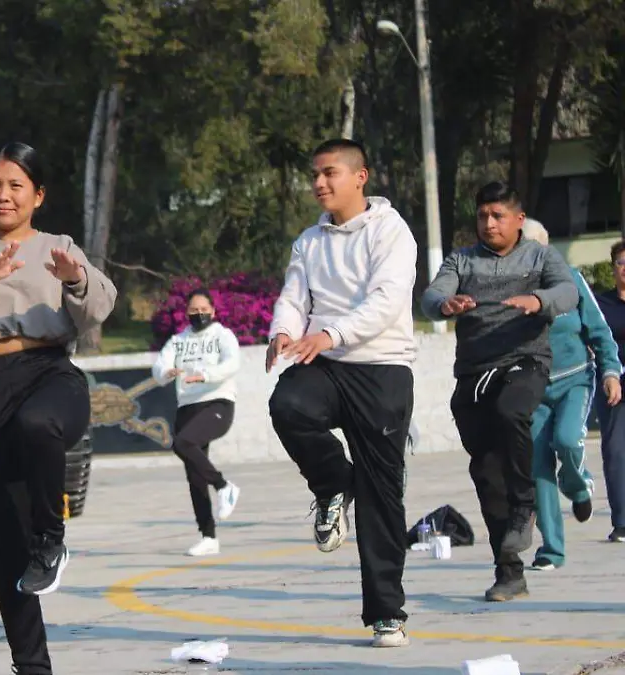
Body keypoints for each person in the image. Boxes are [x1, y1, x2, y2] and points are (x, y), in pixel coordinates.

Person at [0, 141, 118, 675]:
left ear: (38, 195)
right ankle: (32, 666)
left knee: (39, 424)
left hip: (51, 373)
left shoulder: (58, 245)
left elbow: (102, 303)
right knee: (4, 545)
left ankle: (51, 539)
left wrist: (74, 277)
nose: (2, 195)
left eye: (15, 186)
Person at [266, 139, 417, 648]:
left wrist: (330, 334)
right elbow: (293, 295)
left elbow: (386, 300)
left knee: (382, 493)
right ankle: (333, 483)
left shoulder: (391, 232)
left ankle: (386, 612)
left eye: (329, 173)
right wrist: (282, 331)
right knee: (287, 405)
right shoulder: (309, 241)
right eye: (315, 175)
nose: (319, 183)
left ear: (360, 176)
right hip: (325, 364)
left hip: (382, 370)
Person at [421, 181, 577, 602]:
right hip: (474, 373)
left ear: (518, 219)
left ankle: (525, 506)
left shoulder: (541, 256)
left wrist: (539, 301)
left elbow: (569, 292)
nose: (488, 224)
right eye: (482, 216)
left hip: (525, 361)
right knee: (487, 474)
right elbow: (432, 293)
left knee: (512, 411)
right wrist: (444, 305)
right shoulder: (462, 259)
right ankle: (509, 573)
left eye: (498, 216)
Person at [519, 220, 622, 570]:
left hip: (575, 381)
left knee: (567, 439)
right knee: (538, 468)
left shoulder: (571, 281)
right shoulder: (509, 290)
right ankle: (552, 550)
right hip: (534, 389)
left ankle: (578, 487)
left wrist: (610, 372)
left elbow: (599, 331)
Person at [151, 288, 242, 556]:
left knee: (182, 443)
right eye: (193, 310)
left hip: (217, 402)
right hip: (187, 407)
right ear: (186, 313)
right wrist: (166, 373)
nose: (199, 314)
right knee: (194, 474)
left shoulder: (222, 335)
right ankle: (208, 536)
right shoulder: (178, 341)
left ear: (213, 311)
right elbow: (159, 369)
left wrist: (203, 375)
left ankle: (225, 486)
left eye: (204, 309)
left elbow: (232, 363)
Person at [591, 239, 625, 543]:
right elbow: (593, 339)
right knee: (615, 451)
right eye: (621, 263)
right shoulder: (601, 304)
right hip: (613, 384)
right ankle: (622, 521)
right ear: (613, 267)